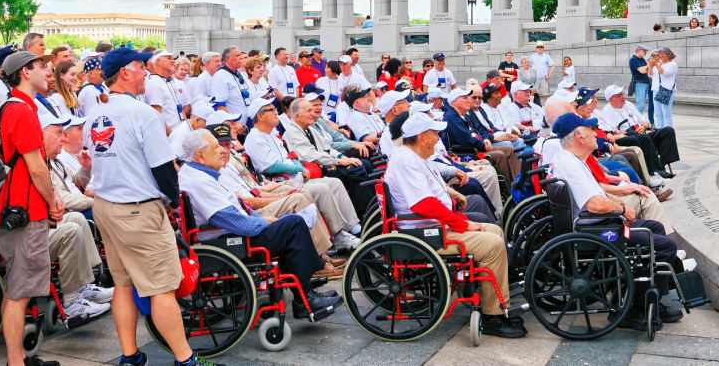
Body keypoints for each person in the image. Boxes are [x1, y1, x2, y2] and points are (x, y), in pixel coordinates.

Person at [83, 48, 213, 366]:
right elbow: (164, 168)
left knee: (124, 285)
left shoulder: (95, 113)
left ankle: (130, 357)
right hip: (137, 209)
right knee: (162, 288)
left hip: (106, 206)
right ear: (125, 72)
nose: (146, 72)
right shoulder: (143, 113)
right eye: (142, 67)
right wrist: (172, 202)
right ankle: (186, 360)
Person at [384, 113, 525, 339]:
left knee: (495, 231)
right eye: (435, 134)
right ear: (420, 137)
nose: (439, 138)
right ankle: (493, 315)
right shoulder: (407, 160)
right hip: (424, 234)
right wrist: (462, 224)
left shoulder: (414, 156)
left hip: (430, 227)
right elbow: (423, 203)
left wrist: (453, 198)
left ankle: (495, 294)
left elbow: (431, 188)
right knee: (493, 244)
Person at [179, 129, 342, 318]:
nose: (222, 151)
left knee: (290, 225)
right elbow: (230, 220)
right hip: (229, 243)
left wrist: (263, 220)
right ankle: (305, 297)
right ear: (200, 156)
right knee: (294, 224)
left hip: (228, 237)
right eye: (216, 147)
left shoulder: (196, 174)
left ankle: (304, 291)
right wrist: (264, 221)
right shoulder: (199, 181)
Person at [545, 113, 685, 330]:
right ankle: (636, 308)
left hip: (595, 225)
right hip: (594, 231)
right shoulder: (571, 165)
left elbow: (597, 193)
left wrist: (619, 201)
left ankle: (652, 300)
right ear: (579, 136)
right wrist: (622, 208)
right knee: (664, 245)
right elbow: (593, 204)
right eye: (590, 130)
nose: (595, 133)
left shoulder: (571, 160)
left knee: (654, 227)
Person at [0, 51, 64, 366]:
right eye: (41, 66)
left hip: (20, 206)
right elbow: (36, 167)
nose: (47, 71)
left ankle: (17, 359)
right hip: (24, 210)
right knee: (19, 292)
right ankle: (15, 362)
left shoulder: (19, 107)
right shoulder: (21, 110)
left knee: (18, 290)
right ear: (24, 72)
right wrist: (52, 202)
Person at [243, 98, 362, 250]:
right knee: (323, 188)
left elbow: (290, 156)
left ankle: (353, 227)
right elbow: (271, 166)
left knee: (334, 183)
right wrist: (299, 169)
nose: (276, 112)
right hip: (279, 184)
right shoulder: (255, 137)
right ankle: (338, 236)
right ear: (260, 116)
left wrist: (299, 167)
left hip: (293, 179)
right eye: (271, 110)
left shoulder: (271, 133)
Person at [36, 112, 113, 318]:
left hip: (56, 217)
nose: (64, 138)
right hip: (38, 227)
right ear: (41, 136)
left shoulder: (54, 161)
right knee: (74, 226)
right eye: (59, 133)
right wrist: (99, 201)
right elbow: (64, 199)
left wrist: (86, 169)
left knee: (78, 219)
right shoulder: (39, 163)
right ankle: (71, 301)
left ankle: (85, 286)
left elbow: (76, 183)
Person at [595, 85, 680, 180]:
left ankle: (662, 165)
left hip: (641, 132)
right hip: (628, 135)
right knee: (641, 138)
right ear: (611, 99)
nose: (623, 97)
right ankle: (654, 171)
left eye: (623, 94)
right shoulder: (607, 111)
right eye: (619, 96)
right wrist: (630, 132)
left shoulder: (629, 105)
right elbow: (615, 131)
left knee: (668, 131)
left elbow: (645, 122)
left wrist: (643, 127)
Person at [443, 88, 519, 180]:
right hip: (468, 152)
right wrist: (483, 145)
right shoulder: (451, 118)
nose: (468, 101)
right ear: (456, 102)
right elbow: (467, 140)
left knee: (509, 149)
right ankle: (510, 187)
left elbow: (480, 128)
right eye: (465, 98)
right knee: (500, 155)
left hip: (478, 146)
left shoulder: (465, 115)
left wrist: (486, 139)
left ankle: (519, 181)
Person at [145, 50, 186, 132]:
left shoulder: (168, 80)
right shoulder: (155, 83)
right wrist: (171, 136)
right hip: (169, 137)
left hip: (178, 133)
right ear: (158, 61)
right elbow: (156, 115)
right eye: (168, 58)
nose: (173, 61)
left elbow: (178, 108)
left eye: (172, 58)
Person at [647, 48, 678, 129]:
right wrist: (650, 65)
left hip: (667, 90)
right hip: (656, 89)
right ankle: (660, 130)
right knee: (658, 113)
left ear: (668, 54)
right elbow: (650, 75)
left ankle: (668, 132)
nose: (661, 55)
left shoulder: (673, 64)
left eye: (663, 54)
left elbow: (665, 73)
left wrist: (656, 64)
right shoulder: (659, 64)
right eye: (660, 54)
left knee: (666, 113)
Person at [628, 44, 653, 121]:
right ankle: (636, 122)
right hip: (639, 84)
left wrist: (646, 67)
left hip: (645, 84)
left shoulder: (642, 60)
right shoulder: (634, 59)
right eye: (644, 51)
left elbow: (647, 71)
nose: (645, 53)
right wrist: (648, 65)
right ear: (639, 51)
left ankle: (638, 121)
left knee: (642, 105)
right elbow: (642, 71)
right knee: (640, 105)